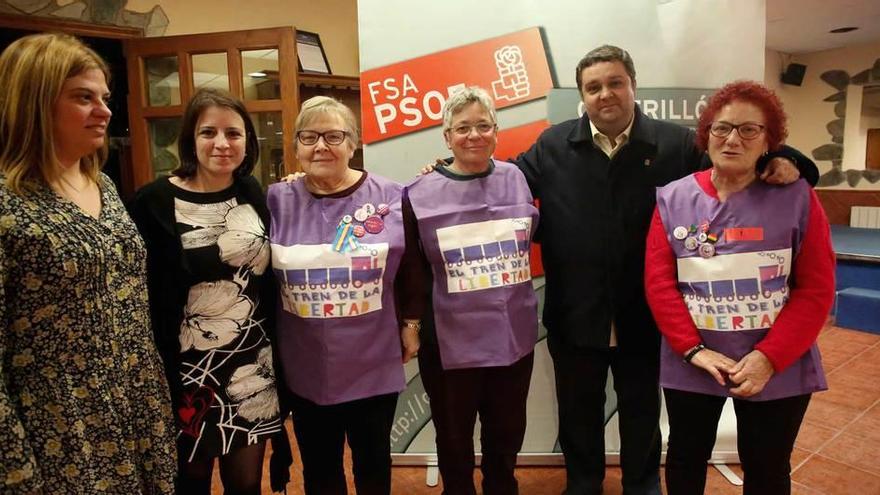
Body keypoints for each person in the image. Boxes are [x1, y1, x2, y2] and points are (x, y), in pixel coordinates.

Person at [455, 45, 816, 495]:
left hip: (647, 315)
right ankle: (583, 485)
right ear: (581, 96)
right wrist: (449, 173)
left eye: (614, 82)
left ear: (632, 85)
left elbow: (734, 161)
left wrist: (789, 159)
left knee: (643, 414)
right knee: (577, 414)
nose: (605, 94)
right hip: (575, 313)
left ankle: (642, 487)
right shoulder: (553, 144)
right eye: (593, 87)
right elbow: (502, 179)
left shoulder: (678, 144)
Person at [0, 33, 176, 493]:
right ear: (33, 102)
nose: (105, 111)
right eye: (84, 97)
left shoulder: (102, 185)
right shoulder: (7, 202)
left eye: (105, 98)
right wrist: (15, 468)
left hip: (134, 403)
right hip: (60, 425)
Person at [645, 80, 834, 495]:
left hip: (776, 362)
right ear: (706, 134)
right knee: (684, 461)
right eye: (722, 128)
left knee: (767, 469)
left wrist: (768, 358)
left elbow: (816, 289)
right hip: (693, 361)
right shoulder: (673, 198)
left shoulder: (797, 196)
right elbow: (660, 283)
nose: (733, 139)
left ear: (770, 141)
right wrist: (693, 349)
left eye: (749, 129)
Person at [129, 88, 290, 495]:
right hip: (187, 370)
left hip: (251, 364)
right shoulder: (153, 202)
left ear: (247, 142)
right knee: (191, 481)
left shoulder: (252, 192)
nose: (222, 143)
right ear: (190, 139)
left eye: (233, 134)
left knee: (247, 482)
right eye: (208, 132)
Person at [267, 95, 422, 495]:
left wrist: (411, 324)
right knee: (320, 471)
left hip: (373, 358)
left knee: (373, 466)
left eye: (334, 136)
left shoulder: (391, 196)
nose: (321, 146)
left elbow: (412, 268)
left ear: (353, 144)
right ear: (297, 147)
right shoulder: (275, 200)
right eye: (310, 136)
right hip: (305, 364)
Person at [406, 86, 539, 495]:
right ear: (447, 137)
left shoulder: (516, 178)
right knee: (453, 436)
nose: (474, 135)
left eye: (484, 125)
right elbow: (411, 268)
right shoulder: (418, 192)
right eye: (462, 128)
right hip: (450, 343)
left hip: (511, 337)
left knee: (506, 432)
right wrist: (410, 323)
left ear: (496, 131)